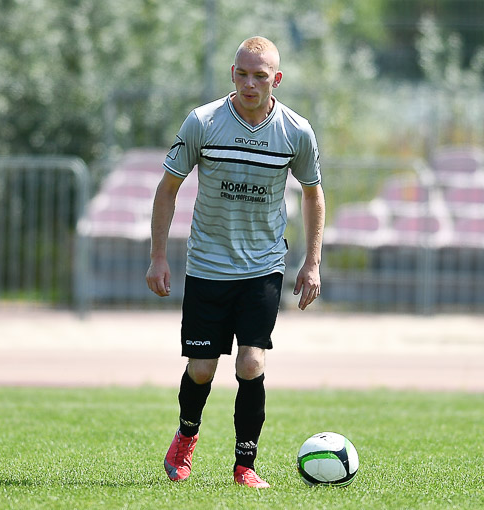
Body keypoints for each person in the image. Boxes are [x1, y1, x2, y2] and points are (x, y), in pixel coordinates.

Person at [145, 36, 325, 488]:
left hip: (264, 266)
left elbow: (313, 194)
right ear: (232, 74)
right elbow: (167, 190)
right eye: (242, 74)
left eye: (260, 76)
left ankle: (245, 465)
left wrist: (312, 262)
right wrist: (158, 256)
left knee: (250, 363)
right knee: (202, 368)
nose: (249, 84)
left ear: (276, 79)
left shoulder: (296, 131)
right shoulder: (203, 122)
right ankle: (186, 436)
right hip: (207, 264)